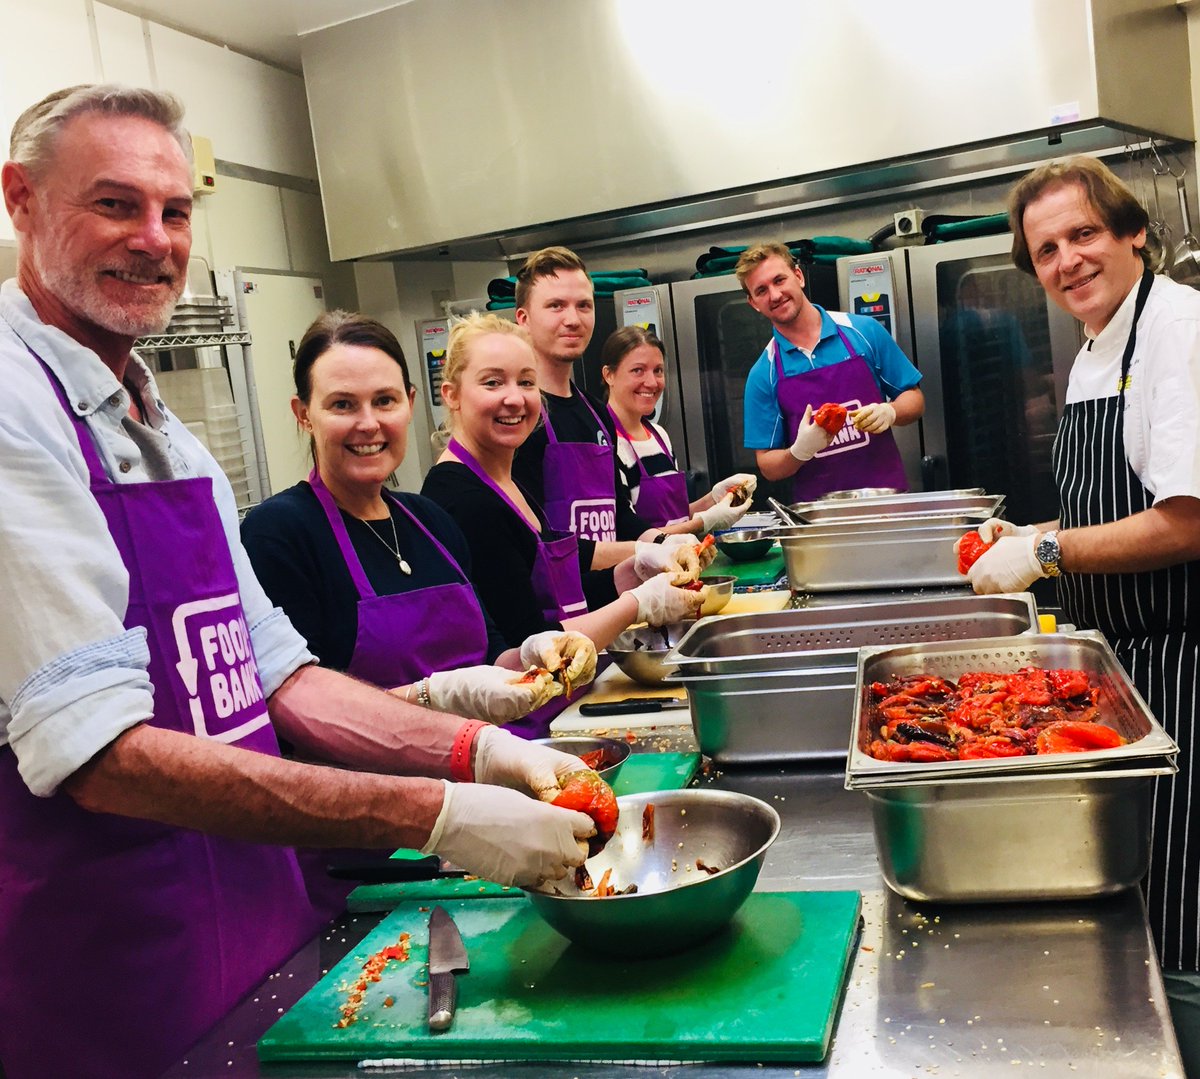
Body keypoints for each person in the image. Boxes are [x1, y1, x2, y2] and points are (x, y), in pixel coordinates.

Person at [0, 84, 596, 1079]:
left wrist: (478, 746)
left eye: (176, 209)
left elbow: (277, 673)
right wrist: (435, 814)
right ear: (20, 200)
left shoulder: (164, 430)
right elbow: (98, 751)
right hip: (118, 978)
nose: (155, 238)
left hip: (262, 934)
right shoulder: (17, 410)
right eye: (116, 204)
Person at [964, 155, 1200, 1070]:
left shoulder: (1176, 330)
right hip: (1130, 667)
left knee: (1181, 907)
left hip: (1186, 663)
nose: (1067, 260)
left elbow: (1185, 519)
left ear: (1133, 231)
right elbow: (1120, 505)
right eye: (1047, 247)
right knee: (1147, 893)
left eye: (1085, 234)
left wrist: (1048, 551)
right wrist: (1032, 534)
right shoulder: (1102, 340)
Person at [241, 310, 597, 725]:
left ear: (409, 404)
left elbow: (491, 656)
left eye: (384, 401)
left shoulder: (431, 522)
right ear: (304, 415)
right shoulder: (278, 534)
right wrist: (433, 696)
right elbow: (300, 716)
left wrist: (537, 652)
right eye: (342, 405)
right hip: (381, 785)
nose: (369, 423)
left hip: (488, 761)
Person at [421, 313, 705, 736]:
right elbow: (531, 643)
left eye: (526, 381)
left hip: (565, 703)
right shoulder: (462, 500)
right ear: (452, 395)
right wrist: (639, 603)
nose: (514, 398)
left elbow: (553, 594)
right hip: (526, 725)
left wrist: (627, 574)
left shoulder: (506, 481)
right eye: (492, 382)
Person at [738, 242, 925, 500]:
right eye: (761, 290)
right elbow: (767, 465)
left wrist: (890, 411)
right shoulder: (763, 374)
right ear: (753, 303)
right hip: (819, 519)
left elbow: (915, 399)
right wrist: (798, 452)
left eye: (779, 280)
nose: (775, 295)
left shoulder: (863, 331)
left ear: (799, 276)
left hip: (886, 501)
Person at [601, 324, 757, 532]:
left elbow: (675, 518)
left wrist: (714, 499)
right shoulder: (605, 444)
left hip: (679, 562)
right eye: (637, 370)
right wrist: (704, 522)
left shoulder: (659, 437)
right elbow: (632, 538)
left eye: (658, 371)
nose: (651, 382)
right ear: (609, 375)